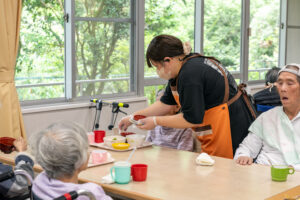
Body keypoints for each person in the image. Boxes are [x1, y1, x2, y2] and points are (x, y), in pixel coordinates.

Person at [119, 34, 256, 159]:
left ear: (168, 60)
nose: (157, 71)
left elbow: (191, 119)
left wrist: (155, 121)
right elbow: (166, 103)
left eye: (157, 66)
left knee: (225, 173)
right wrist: (133, 117)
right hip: (215, 126)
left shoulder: (190, 74)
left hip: (231, 126)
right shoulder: (182, 68)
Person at [234, 64, 300, 170]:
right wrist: (243, 156)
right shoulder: (267, 117)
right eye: (280, 83)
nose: (283, 88)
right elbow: (247, 147)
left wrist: (293, 169)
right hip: (263, 172)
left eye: (289, 83)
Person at [31, 122, 112, 200]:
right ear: (78, 159)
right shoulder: (89, 193)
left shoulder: (39, 182)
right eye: (86, 149)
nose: (89, 152)